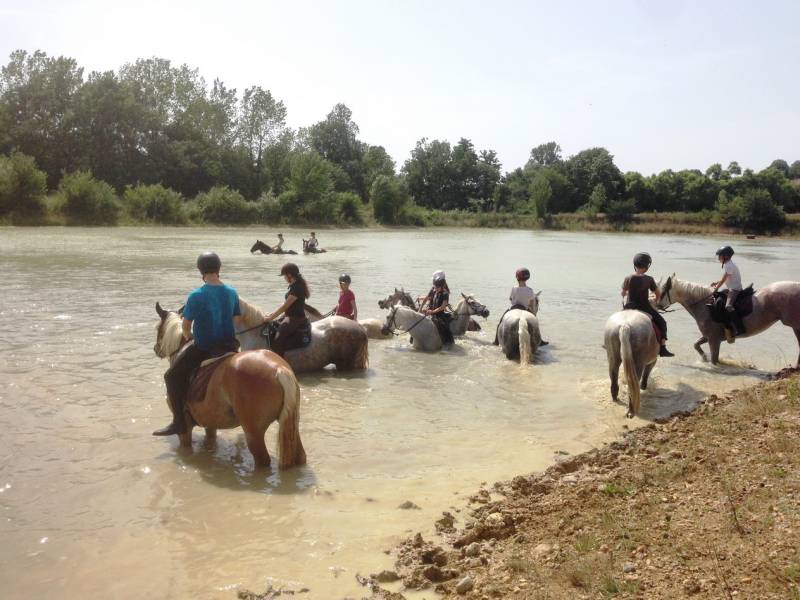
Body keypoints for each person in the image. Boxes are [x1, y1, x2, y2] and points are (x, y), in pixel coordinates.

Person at [153, 252, 242, 436]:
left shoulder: (196, 295)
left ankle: (178, 422)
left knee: (171, 376)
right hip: (230, 346)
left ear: (200, 270)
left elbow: (185, 327)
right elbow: (237, 320)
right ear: (219, 269)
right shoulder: (232, 292)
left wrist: (190, 335)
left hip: (204, 348)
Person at [622, 252, 674, 357]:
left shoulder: (628, 277)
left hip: (629, 306)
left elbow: (623, 293)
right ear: (647, 267)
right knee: (662, 323)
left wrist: (627, 293)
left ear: (634, 265)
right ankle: (663, 348)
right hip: (644, 307)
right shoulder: (649, 279)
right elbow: (658, 294)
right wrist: (656, 300)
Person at [263, 263, 310, 356]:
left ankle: (280, 363)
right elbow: (285, 305)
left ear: (289, 275)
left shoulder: (297, 287)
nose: (284, 278)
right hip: (289, 315)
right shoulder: (293, 285)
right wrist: (272, 315)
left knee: (278, 338)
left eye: (284, 275)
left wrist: (270, 318)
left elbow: (285, 306)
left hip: (296, 318)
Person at [493, 267, 548, 345]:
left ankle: (496, 341)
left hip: (513, 308)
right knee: (535, 323)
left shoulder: (514, 288)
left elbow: (511, 299)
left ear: (517, 277)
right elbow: (531, 303)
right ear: (527, 278)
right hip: (525, 309)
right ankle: (540, 341)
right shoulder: (530, 290)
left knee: (500, 322)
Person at [711, 245, 745, 336]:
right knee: (719, 296)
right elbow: (726, 278)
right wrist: (716, 283)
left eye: (720, 256)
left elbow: (723, 280)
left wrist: (716, 288)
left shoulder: (729, 265)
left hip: (734, 289)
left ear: (725, 256)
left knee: (728, 306)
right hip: (731, 287)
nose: (718, 258)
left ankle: (740, 328)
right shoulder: (728, 264)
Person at [420, 273, 454, 346]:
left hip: (439, 315)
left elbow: (442, 307)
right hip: (430, 312)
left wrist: (432, 312)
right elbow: (427, 299)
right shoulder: (434, 290)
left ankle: (448, 343)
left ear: (441, 286)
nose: (435, 289)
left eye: (437, 288)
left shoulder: (445, 293)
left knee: (445, 327)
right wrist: (422, 309)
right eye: (434, 287)